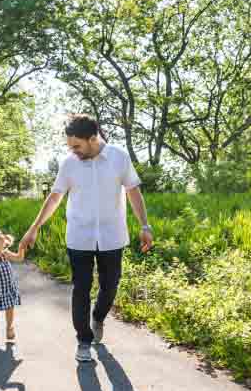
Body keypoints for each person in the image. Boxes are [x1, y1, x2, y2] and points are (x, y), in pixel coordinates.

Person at [19, 115, 153, 362]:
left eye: (77, 146)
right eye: (70, 147)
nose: (73, 151)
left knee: (110, 285)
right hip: (79, 236)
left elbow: (133, 190)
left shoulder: (118, 157)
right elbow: (55, 197)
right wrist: (34, 227)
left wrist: (145, 225)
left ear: (93, 139)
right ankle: (83, 339)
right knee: (81, 287)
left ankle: (99, 317)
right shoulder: (69, 164)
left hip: (112, 236)